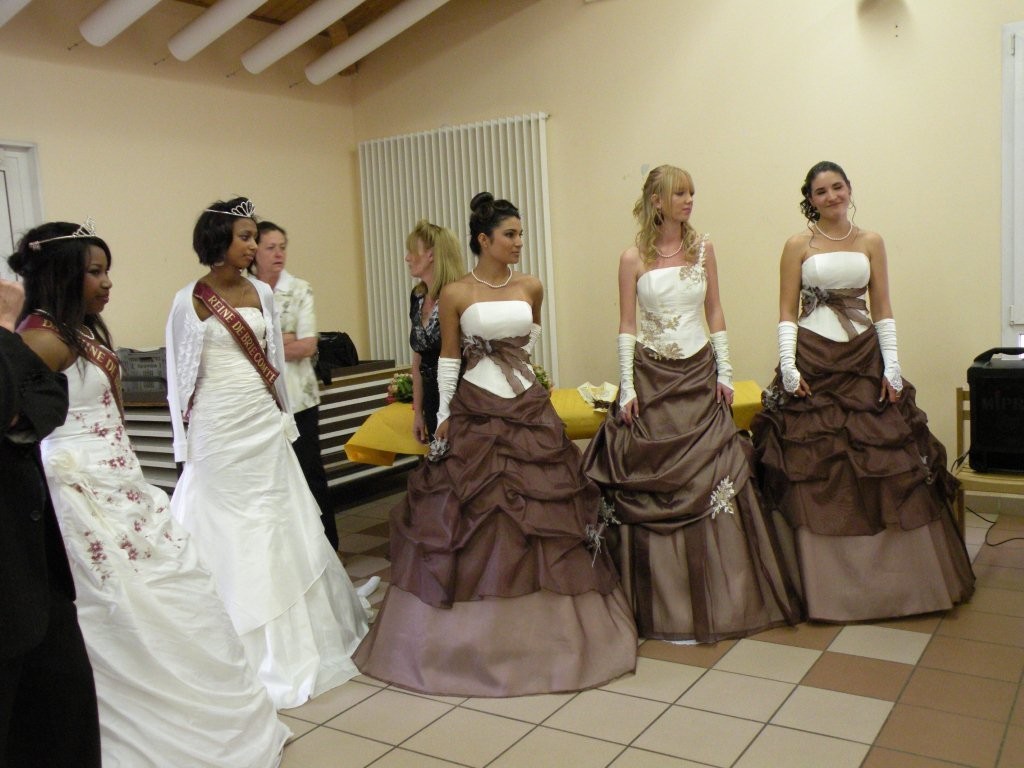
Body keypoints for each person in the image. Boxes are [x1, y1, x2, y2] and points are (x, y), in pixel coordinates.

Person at [12, 221, 289, 766]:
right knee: (118, 608)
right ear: (62, 274)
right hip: (79, 492)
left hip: (121, 485)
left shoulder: (78, 330)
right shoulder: (40, 338)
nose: (107, 282)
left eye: (106, 270)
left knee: (169, 596)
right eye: (95, 272)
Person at [355, 192, 637, 696]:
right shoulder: (456, 292)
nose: (519, 242)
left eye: (521, 234)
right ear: (483, 240)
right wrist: (444, 415)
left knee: (543, 512)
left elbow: (528, 341)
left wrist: (529, 381)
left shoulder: (531, 286)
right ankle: (469, 643)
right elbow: (448, 357)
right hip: (476, 408)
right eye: (510, 234)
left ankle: (554, 638)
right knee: (475, 515)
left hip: (527, 405)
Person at [582, 165, 803, 643]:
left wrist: (725, 371)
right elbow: (627, 323)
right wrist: (628, 385)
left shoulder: (704, 248)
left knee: (713, 471)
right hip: (651, 376)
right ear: (657, 201)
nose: (689, 200)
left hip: (699, 371)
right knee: (648, 473)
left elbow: (715, 310)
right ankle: (659, 604)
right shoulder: (632, 258)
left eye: (691, 193)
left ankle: (722, 598)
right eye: (679, 193)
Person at [166, 198, 370, 709]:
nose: (254, 246)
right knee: (224, 522)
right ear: (218, 240)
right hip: (217, 425)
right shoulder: (188, 300)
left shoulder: (261, 292)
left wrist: (283, 417)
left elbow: (274, 358)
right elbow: (179, 377)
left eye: (256, 237)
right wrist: (182, 443)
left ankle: (299, 633)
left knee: (277, 517)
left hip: (260, 421)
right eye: (245, 237)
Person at [751, 161, 975, 622]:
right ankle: (826, 589)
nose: (831, 196)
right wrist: (789, 367)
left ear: (850, 189)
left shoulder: (871, 241)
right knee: (819, 467)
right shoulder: (797, 245)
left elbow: (883, 306)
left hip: (864, 358)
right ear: (810, 199)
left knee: (884, 462)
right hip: (814, 358)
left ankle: (895, 586)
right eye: (821, 191)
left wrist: (892, 366)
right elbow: (787, 310)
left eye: (837, 187)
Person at [0, 277, 100, 768]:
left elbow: (48, 400)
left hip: (33, 565)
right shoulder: (20, 332)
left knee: (65, 720)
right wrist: (4, 328)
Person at [250, 220, 336, 551]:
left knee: (310, 473)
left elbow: (308, 346)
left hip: (300, 399)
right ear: (255, 252)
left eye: (282, 247)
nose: (278, 254)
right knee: (271, 479)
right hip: (260, 402)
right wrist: (283, 339)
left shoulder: (299, 289)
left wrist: (267, 344)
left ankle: (329, 546)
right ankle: (287, 551)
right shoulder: (246, 291)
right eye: (270, 248)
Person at [403, 219, 465, 441]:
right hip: (431, 397)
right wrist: (417, 412)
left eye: (412, 251)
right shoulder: (418, 296)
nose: (407, 258)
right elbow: (418, 360)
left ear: (430, 255)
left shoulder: (458, 296)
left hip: (460, 397)